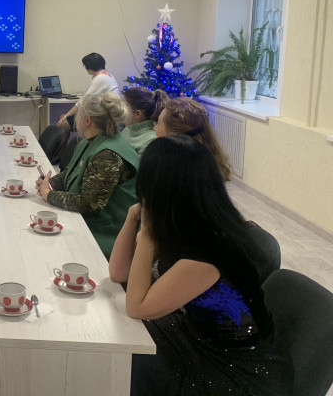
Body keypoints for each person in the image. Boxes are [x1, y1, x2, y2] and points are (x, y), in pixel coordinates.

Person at [109, 135, 293, 395]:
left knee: (126, 363)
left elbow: (137, 307)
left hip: (238, 370)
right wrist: (132, 217)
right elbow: (119, 272)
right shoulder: (183, 221)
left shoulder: (209, 250)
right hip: (198, 335)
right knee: (120, 346)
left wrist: (147, 229)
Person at [36, 92, 138, 258]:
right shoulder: (92, 141)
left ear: (87, 120)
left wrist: (49, 194)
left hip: (105, 237)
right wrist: (49, 182)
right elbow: (71, 172)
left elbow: (88, 204)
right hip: (85, 223)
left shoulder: (108, 155)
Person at [153, 97, 232, 181]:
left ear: (174, 135)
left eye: (158, 123)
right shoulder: (209, 165)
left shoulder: (171, 173)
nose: (155, 128)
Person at [57, 52, 120, 130]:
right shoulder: (106, 74)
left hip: (105, 117)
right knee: (64, 117)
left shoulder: (100, 78)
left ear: (90, 66)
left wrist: (66, 115)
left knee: (63, 123)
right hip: (107, 113)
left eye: (85, 65)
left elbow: (83, 101)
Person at [120, 87, 168, 154]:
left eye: (123, 107)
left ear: (137, 114)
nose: (119, 110)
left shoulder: (149, 143)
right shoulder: (129, 127)